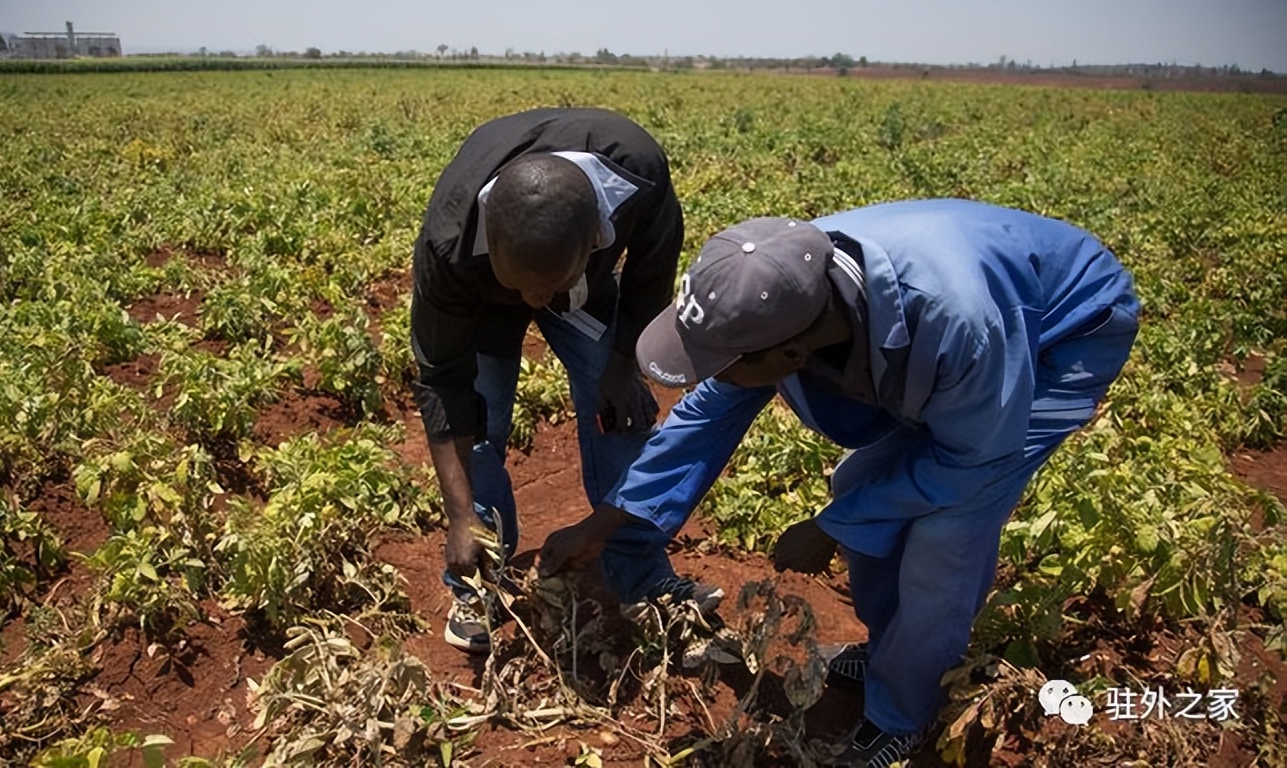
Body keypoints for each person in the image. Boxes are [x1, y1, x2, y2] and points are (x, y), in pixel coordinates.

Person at [539, 200, 1139, 766]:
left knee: (946, 532)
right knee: (862, 482)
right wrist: (606, 522)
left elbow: (972, 461)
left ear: (793, 351)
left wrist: (829, 527)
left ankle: (904, 715)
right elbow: (704, 417)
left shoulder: (957, 323)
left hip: (1062, 334)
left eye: (729, 362)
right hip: (980, 317)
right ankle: (889, 656)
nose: (720, 373)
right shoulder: (776, 284)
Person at [411, 107, 720, 653]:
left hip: (582, 289)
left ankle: (641, 573)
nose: (533, 305)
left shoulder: (639, 177)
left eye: (545, 288)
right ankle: (477, 575)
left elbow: (651, 278)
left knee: (623, 411)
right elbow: (443, 382)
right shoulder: (450, 246)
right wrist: (457, 514)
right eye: (523, 289)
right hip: (484, 293)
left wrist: (622, 366)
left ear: (597, 240)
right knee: (481, 423)